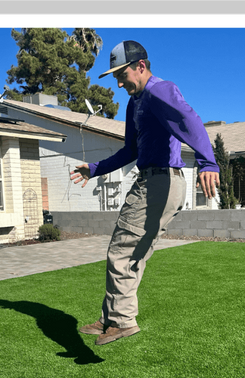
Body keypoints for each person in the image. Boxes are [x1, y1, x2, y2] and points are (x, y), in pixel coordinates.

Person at [71, 40, 220, 345]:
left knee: (121, 249)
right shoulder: (134, 102)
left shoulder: (159, 90)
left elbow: (188, 119)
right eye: (115, 77)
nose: (118, 82)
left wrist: (208, 162)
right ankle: (111, 317)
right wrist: (95, 168)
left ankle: (122, 322)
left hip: (160, 181)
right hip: (154, 179)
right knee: (133, 253)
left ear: (140, 67)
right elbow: (130, 151)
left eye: (121, 74)